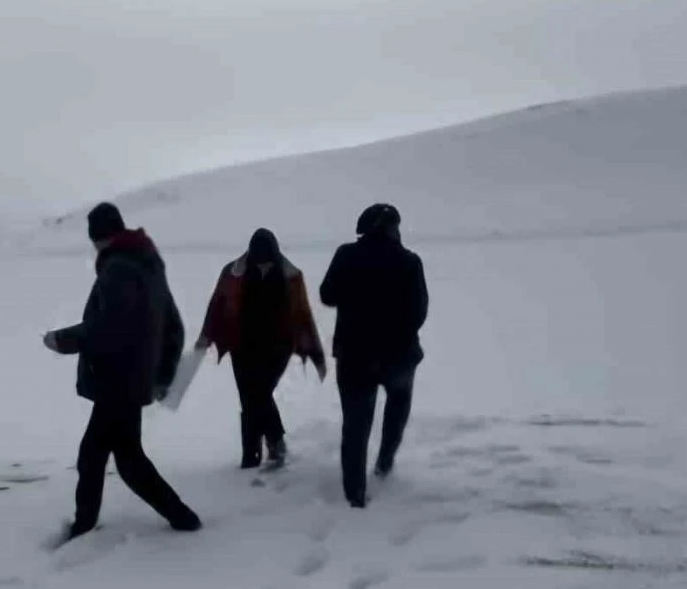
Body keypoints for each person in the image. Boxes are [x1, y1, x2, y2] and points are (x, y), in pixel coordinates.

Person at [44, 203, 202, 541]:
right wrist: (162, 372)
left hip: (118, 377)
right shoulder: (146, 261)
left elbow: (109, 326)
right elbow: (173, 324)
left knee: (108, 458)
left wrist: (61, 339)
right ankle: (177, 517)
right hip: (132, 376)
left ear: (99, 237)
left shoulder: (119, 267)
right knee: (118, 456)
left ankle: (88, 525)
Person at [319, 204, 428, 508]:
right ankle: (384, 463)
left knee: (355, 426)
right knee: (396, 412)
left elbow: (327, 295)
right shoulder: (409, 261)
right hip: (399, 356)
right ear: (392, 229)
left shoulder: (346, 255)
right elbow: (419, 311)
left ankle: (355, 494)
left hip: (354, 356)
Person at [195, 228, 326, 469]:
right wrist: (206, 336)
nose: (263, 262)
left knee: (259, 394)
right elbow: (217, 305)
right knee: (249, 398)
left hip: (278, 346)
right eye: (259, 257)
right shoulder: (233, 272)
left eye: (267, 257)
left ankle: (274, 443)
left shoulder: (290, 275)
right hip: (242, 344)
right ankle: (251, 455)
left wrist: (315, 351)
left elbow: (302, 313)